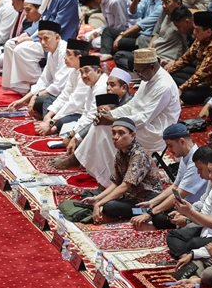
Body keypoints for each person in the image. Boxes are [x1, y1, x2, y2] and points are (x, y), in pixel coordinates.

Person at [57, 48, 180, 186]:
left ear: (152, 66)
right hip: (139, 123)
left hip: (154, 132)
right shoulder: (148, 75)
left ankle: (109, 181)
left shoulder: (164, 86)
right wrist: (111, 115)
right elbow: (133, 105)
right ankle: (102, 173)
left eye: (139, 71)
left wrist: (114, 120)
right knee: (102, 123)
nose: (138, 75)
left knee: (110, 129)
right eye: (136, 71)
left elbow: (144, 118)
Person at [80, 118, 162, 223]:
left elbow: (125, 186)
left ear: (132, 135)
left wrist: (100, 203)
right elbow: (116, 183)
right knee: (88, 195)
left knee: (109, 206)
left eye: (121, 133)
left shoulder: (139, 155)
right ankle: (105, 209)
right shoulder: (120, 152)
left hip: (146, 202)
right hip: (130, 197)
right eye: (113, 133)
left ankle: (143, 213)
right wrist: (97, 199)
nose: (115, 137)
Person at [131, 123, 204, 229]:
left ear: (182, 142)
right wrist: (152, 203)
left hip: (193, 207)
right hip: (180, 203)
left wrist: (151, 213)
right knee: (139, 208)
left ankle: (149, 217)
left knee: (158, 218)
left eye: (170, 145)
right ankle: (145, 212)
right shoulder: (185, 157)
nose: (169, 150)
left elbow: (180, 193)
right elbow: (175, 186)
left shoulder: (196, 162)